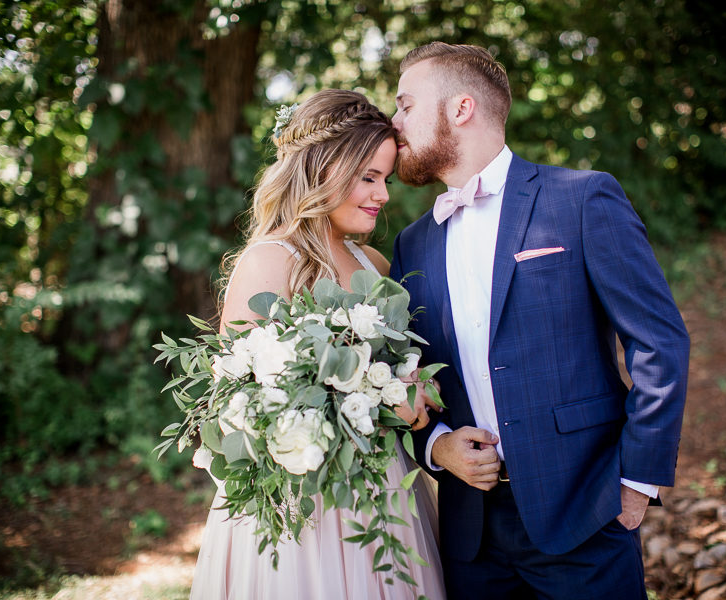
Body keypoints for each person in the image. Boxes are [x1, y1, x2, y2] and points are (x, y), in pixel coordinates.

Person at [389, 42, 690, 599]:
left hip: (584, 515)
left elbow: (658, 342)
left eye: (406, 104)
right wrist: (437, 446)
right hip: (470, 538)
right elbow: (405, 378)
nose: (394, 121)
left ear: (460, 108)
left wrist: (636, 484)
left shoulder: (580, 199)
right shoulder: (412, 245)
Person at [190, 89, 445, 600]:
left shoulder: (374, 264)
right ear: (321, 170)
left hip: (382, 490)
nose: (384, 195)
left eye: (386, 179)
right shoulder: (270, 259)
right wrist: (371, 397)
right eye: (368, 177)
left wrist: (411, 397)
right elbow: (238, 406)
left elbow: (407, 368)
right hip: (302, 506)